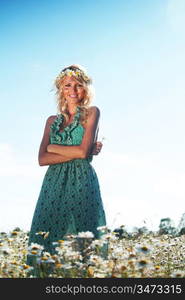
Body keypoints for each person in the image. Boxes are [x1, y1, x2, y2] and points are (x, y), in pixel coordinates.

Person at [26, 64, 107, 267]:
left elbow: (82, 153)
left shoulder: (92, 113)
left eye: (78, 85)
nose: (73, 90)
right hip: (53, 182)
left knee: (82, 234)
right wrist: (81, 150)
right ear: (61, 89)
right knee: (47, 230)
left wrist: (54, 146)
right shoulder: (51, 121)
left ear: (86, 88)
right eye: (67, 85)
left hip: (82, 179)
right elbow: (42, 159)